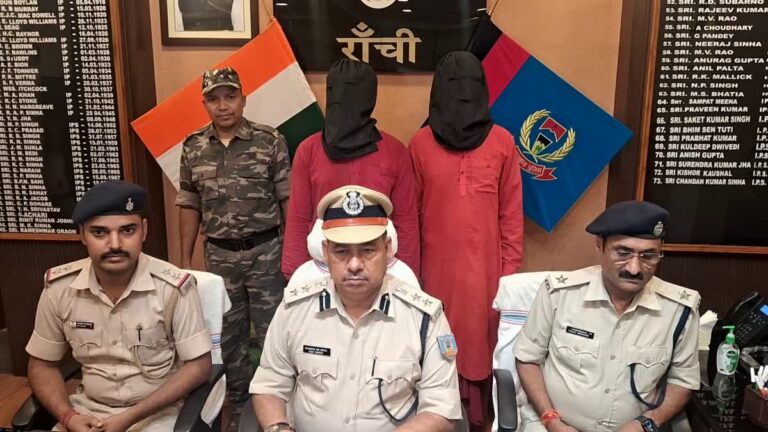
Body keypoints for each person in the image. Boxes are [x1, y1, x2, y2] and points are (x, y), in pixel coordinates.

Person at [250, 186, 461, 432]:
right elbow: (270, 383)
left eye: (368, 250)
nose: (354, 265)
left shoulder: (424, 318)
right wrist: (278, 428)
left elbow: (440, 408)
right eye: (341, 251)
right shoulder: (294, 309)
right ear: (326, 252)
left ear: (387, 249)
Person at [26, 181, 212, 432]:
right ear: (82, 235)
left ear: (144, 231)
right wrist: (68, 417)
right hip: (86, 413)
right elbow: (41, 365)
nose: (114, 244)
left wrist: (128, 418)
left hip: (157, 414)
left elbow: (199, 366)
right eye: (99, 232)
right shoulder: (60, 289)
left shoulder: (173, 288)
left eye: (127, 230)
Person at [408, 50, 524, 429]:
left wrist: (508, 278)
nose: (462, 95)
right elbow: (410, 216)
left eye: (470, 85)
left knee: (478, 347)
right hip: (433, 274)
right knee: (434, 347)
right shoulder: (420, 143)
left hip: (485, 277)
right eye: (453, 86)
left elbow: (511, 217)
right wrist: (410, 279)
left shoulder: (503, 142)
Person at [515, 201, 701, 432]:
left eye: (648, 256)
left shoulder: (680, 309)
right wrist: (551, 419)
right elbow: (528, 358)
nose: (634, 268)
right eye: (623, 253)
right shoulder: (559, 294)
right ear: (600, 245)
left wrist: (648, 422)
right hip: (553, 424)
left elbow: (683, 381)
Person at [175, 67, 291, 423]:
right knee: (229, 339)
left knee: (274, 333)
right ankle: (239, 410)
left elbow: (287, 199)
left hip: (266, 253)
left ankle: (278, 407)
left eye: (230, 96)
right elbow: (189, 203)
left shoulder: (270, 140)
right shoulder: (193, 146)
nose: (223, 105)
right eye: (214, 99)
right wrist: (185, 261)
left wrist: (292, 256)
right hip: (220, 256)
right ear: (204, 104)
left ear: (243, 98)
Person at [281, 59, 420, 281]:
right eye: (338, 92)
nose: (345, 101)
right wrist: (294, 274)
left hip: (380, 272)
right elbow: (299, 217)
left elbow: (406, 221)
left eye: (354, 92)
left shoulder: (395, 152)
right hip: (322, 270)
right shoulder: (309, 151)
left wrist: (406, 277)